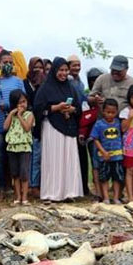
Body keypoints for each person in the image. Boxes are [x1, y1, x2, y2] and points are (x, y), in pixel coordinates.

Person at [34, 57, 83, 202]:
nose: (64, 73)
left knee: (68, 159)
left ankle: (69, 192)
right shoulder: (45, 88)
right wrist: (56, 107)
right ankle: (52, 193)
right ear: (54, 70)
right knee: (54, 159)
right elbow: (38, 109)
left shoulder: (71, 87)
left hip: (69, 126)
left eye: (66, 70)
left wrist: (72, 109)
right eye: (61, 70)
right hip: (52, 127)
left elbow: (79, 108)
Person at [0, 50, 25, 195]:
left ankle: (12, 186)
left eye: (11, 62)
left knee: (13, 156)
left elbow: (24, 102)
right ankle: (1, 187)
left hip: (15, 125)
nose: (8, 65)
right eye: (5, 62)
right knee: (0, 156)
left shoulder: (18, 81)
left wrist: (10, 107)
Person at [91, 99, 125, 204]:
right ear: (103, 111)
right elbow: (95, 139)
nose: (110, 115)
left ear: (117, 112)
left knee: (117, 177)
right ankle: (105, 197)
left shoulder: (118, 123)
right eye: (108, 112)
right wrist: (103, 152)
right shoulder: (99, 124)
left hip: (117, 156)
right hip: (104, 156)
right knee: (104, 177)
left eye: (113, 112)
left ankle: (116, 197)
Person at [4, 89, 34, 205]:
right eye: (19, 103)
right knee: (15, 173)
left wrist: (20, 116)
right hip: (12, 147)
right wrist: (11, 114)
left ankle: (25, 197)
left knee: (24, 172)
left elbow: (27, 128)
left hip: (24, 147)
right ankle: (17, 196)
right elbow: (5, 127)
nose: (22, 105)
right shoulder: (12, 115)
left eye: (24, 102)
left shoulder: (29, 115)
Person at [79, 68, 105, 199]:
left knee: (107, 163)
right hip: (92, 137)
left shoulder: (106, 98)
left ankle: (107, 191)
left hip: (107, 137)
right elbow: (84, 119)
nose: (94, 83)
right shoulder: (86, 99)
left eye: (97, 80)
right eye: (92, 81)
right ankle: (98, 192)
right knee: (95, 164)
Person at [25, 57, 45, 197]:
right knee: (30, 157)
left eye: (40, 67)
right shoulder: (24, 83)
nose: (38, 70)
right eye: (35, 67)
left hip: (41, 123)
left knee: (38, 156)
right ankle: (31, 185)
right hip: (26, 124)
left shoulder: (44, 84)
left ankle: (37, 184)